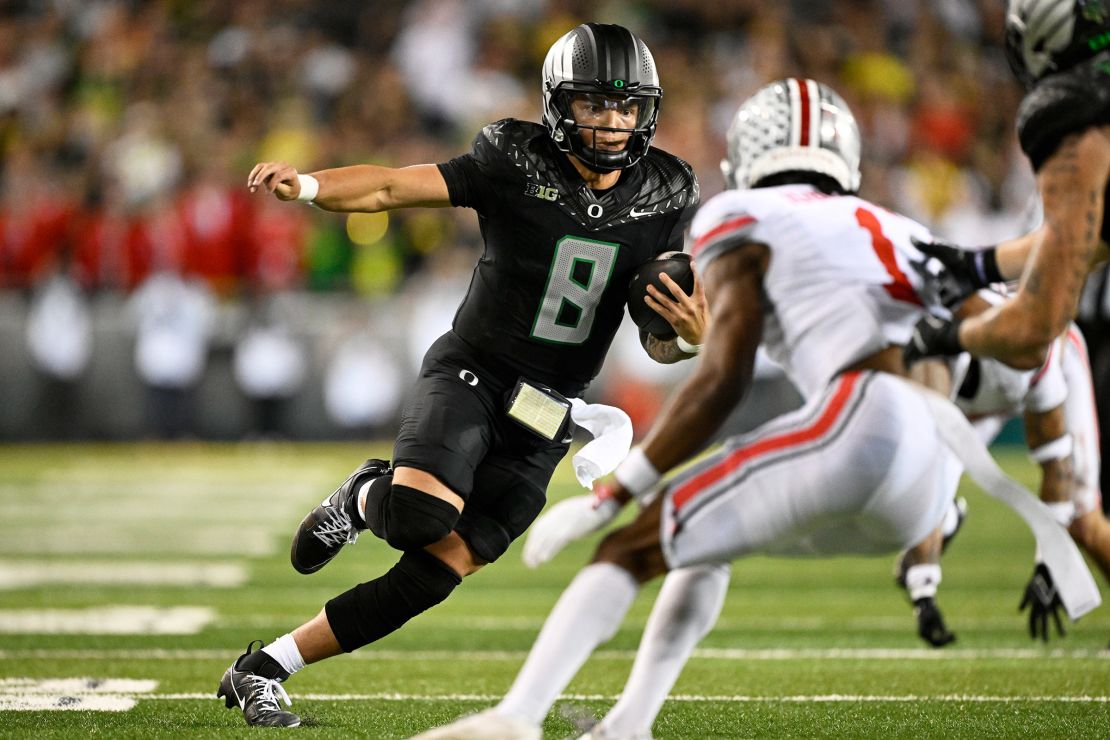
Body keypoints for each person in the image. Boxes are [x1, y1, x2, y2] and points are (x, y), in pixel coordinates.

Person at [413, 77, 973, 740]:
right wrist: (938, 513)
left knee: (629, 545)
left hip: (855, 426)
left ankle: (516, 717)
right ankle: (628, 726)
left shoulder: (743, 216)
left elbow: (722, 381)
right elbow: (967, 355)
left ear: (746, 157)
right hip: (927, 480)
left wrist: (610, 496)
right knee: (708, 539)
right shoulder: (902, 230)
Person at [217, 23, 704, 728]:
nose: (611, 123)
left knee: (437, 571)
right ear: (559, 105)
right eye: (595, 105)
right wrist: (310, 186)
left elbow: (662, 340)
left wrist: (690, 338)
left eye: (625, 108)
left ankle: (263, 669)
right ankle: (363, 498)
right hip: (475, 370)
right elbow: (389, 188)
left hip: (549, 411)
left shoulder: (666, 191)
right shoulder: (514, 159)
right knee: (419, 515)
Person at [905, 0, 1110, 370]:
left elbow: (1035, 332)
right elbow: (1084, 241)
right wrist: (977, 265)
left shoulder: (1078, 113)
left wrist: (948, 337)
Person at [911, 291, 1110, 640]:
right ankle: (944, 523)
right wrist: (923, 592)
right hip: (976, 386)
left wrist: (1048, 565)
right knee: (918, 488)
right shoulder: (930, 358)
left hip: (1044, 372)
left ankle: (946, 521)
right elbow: (925, 473)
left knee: (1082, 521)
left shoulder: (1037, 356)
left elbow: (1056, 466)